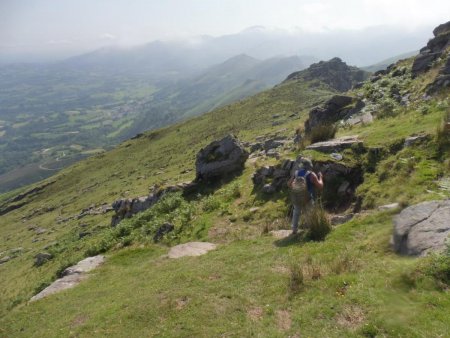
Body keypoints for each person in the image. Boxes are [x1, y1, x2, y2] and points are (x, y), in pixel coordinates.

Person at [287, 157, 323, 234]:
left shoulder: (296, 173)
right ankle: (311, 229)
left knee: (296, 212)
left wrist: (297, 188)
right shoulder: (311, 174)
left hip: (297, 197)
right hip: (307, 198)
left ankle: (294, 229)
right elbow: (320, 186)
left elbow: (289, 184)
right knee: (309, 213)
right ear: (310, 165)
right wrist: (320, 177)